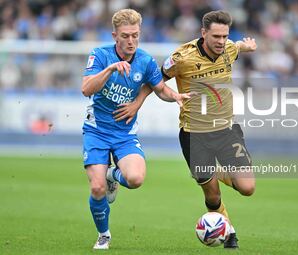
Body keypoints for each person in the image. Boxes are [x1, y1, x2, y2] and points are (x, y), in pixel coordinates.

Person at [114, 10, 257, 249]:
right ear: (203, 33)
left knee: (247, 188)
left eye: (225, 36)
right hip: (194, 134)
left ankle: (213, 171)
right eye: (216, 37)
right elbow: (155, 80)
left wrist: (246, 45)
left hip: (226, 130)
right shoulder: (182, 57)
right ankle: (228, 230)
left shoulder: (230, 49)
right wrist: (136, 104)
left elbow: (237, 46)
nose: (221, 42)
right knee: (212, 195)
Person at [82, 9, 190, 250]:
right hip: (96, 130)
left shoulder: (145, 60)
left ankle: (113, 175)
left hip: (125, 134)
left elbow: (160, 89)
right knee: (97, 188)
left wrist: (176, 96)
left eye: (135, 35)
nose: (131, 41)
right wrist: (110, 69)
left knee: (135, 179)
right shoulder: (99, 55)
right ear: (115, 36)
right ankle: (104, 235)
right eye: (125, 36)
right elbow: (86, 88)